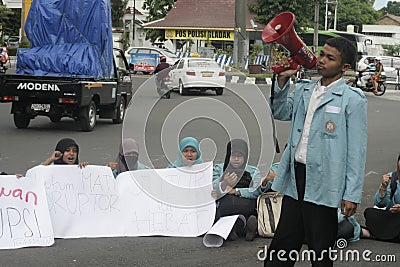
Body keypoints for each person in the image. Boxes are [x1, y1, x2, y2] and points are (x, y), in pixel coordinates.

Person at [265, 37, 368, 266]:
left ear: (345, 67)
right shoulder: (304, 90)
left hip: (325, 182)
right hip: (296, 177)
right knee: (282, 245)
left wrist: (352, 194)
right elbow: (281, 112)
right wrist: (282, 81)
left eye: (330, 58)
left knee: (320, 249)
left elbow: (356, 151)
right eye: (321, 54)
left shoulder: (352, 100)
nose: (321, 60)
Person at [211, 139, 264, 242]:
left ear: (245, 157)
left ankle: (248, 229)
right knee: (221, 213)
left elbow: (256, 191)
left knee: (250, 213)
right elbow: (211, 188)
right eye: (233, 156)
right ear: (228, 156)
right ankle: (232, 229)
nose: (236, 159)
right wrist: (224, 182)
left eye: (239, 156)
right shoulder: (219, 169)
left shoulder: (253, 171)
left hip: (245, 204)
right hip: (226, 206)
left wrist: (236, 191)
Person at [362, 153, 400, 242]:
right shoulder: (392, 177)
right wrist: (383, 187)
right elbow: (379, 204)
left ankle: (375, 234)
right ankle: (392, 236)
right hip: (391, 218)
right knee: (369, 213)